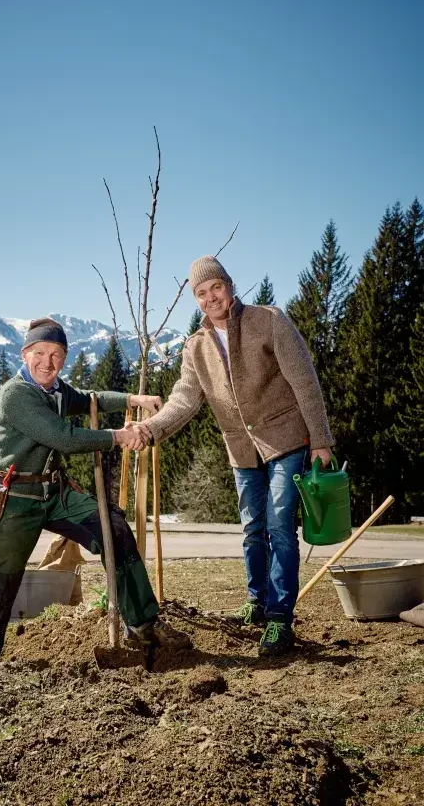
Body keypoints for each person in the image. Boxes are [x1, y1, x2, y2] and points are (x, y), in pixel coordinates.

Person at [130, 256, 335, 656]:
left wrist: (321, 439)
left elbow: (304, 381)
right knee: (251, 528)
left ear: (229, 285)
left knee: (279, 526)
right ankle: (258, 602)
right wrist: (149, 429)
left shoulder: (269, 320)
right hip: (241, 448)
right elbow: (184, 401)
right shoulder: (196, 347)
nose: (210, 298)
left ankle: (279, 621)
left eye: (215, 288)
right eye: (201, 294)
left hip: (286, 438)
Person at [0, 317, 189, 667]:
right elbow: (63, 439)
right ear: (25, 354)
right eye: (39, 353)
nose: (47, 362)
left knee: (113, 529)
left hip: (55, 494)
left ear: (64, 358)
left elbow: (89, 399)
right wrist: (118, 436)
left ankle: (142, 623)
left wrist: (133, 398)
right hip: (16, 499)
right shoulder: (17, 394)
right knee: (0, 585)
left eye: (56, 354)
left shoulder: (55, 390)